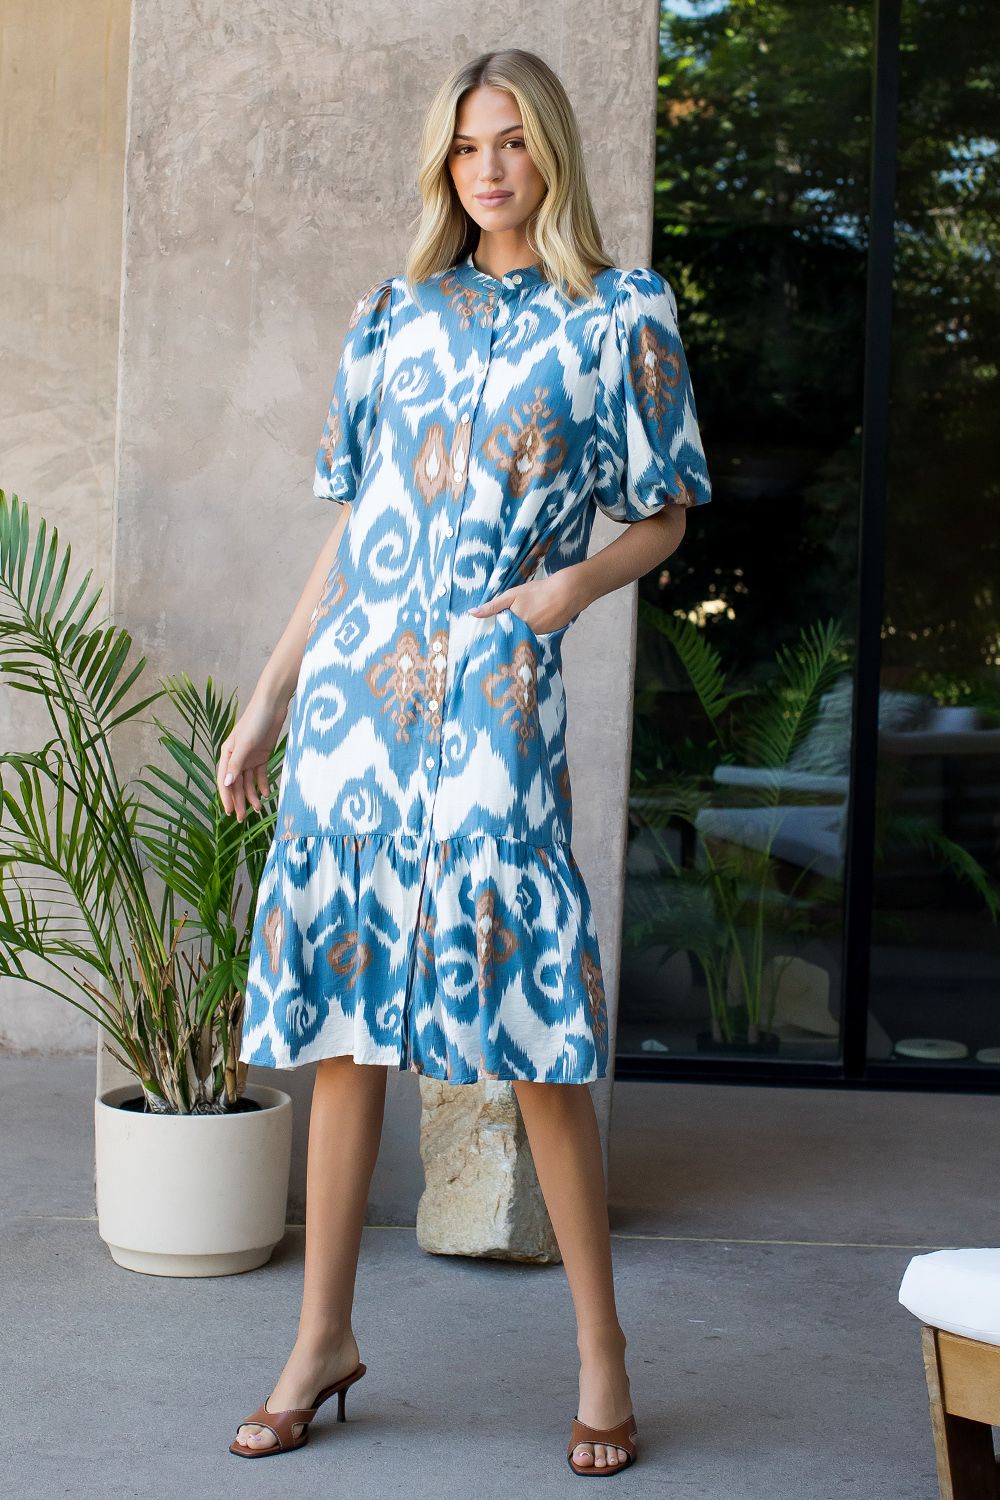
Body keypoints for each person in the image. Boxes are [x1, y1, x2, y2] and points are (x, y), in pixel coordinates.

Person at [218, 46, 711, 1476]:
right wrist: (267, 700)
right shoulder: (397, 313)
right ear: (446, 165)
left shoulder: (621, 314)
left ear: (551, 152)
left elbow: (668, 510)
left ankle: (603, 1353)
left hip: (496, 695)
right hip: (359, 705)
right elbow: (355, 533)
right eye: (466, 148)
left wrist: (565, 594)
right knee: (349, 1024)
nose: (488, 168)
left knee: (532, 1019)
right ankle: (321, 1340)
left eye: (511, 143)